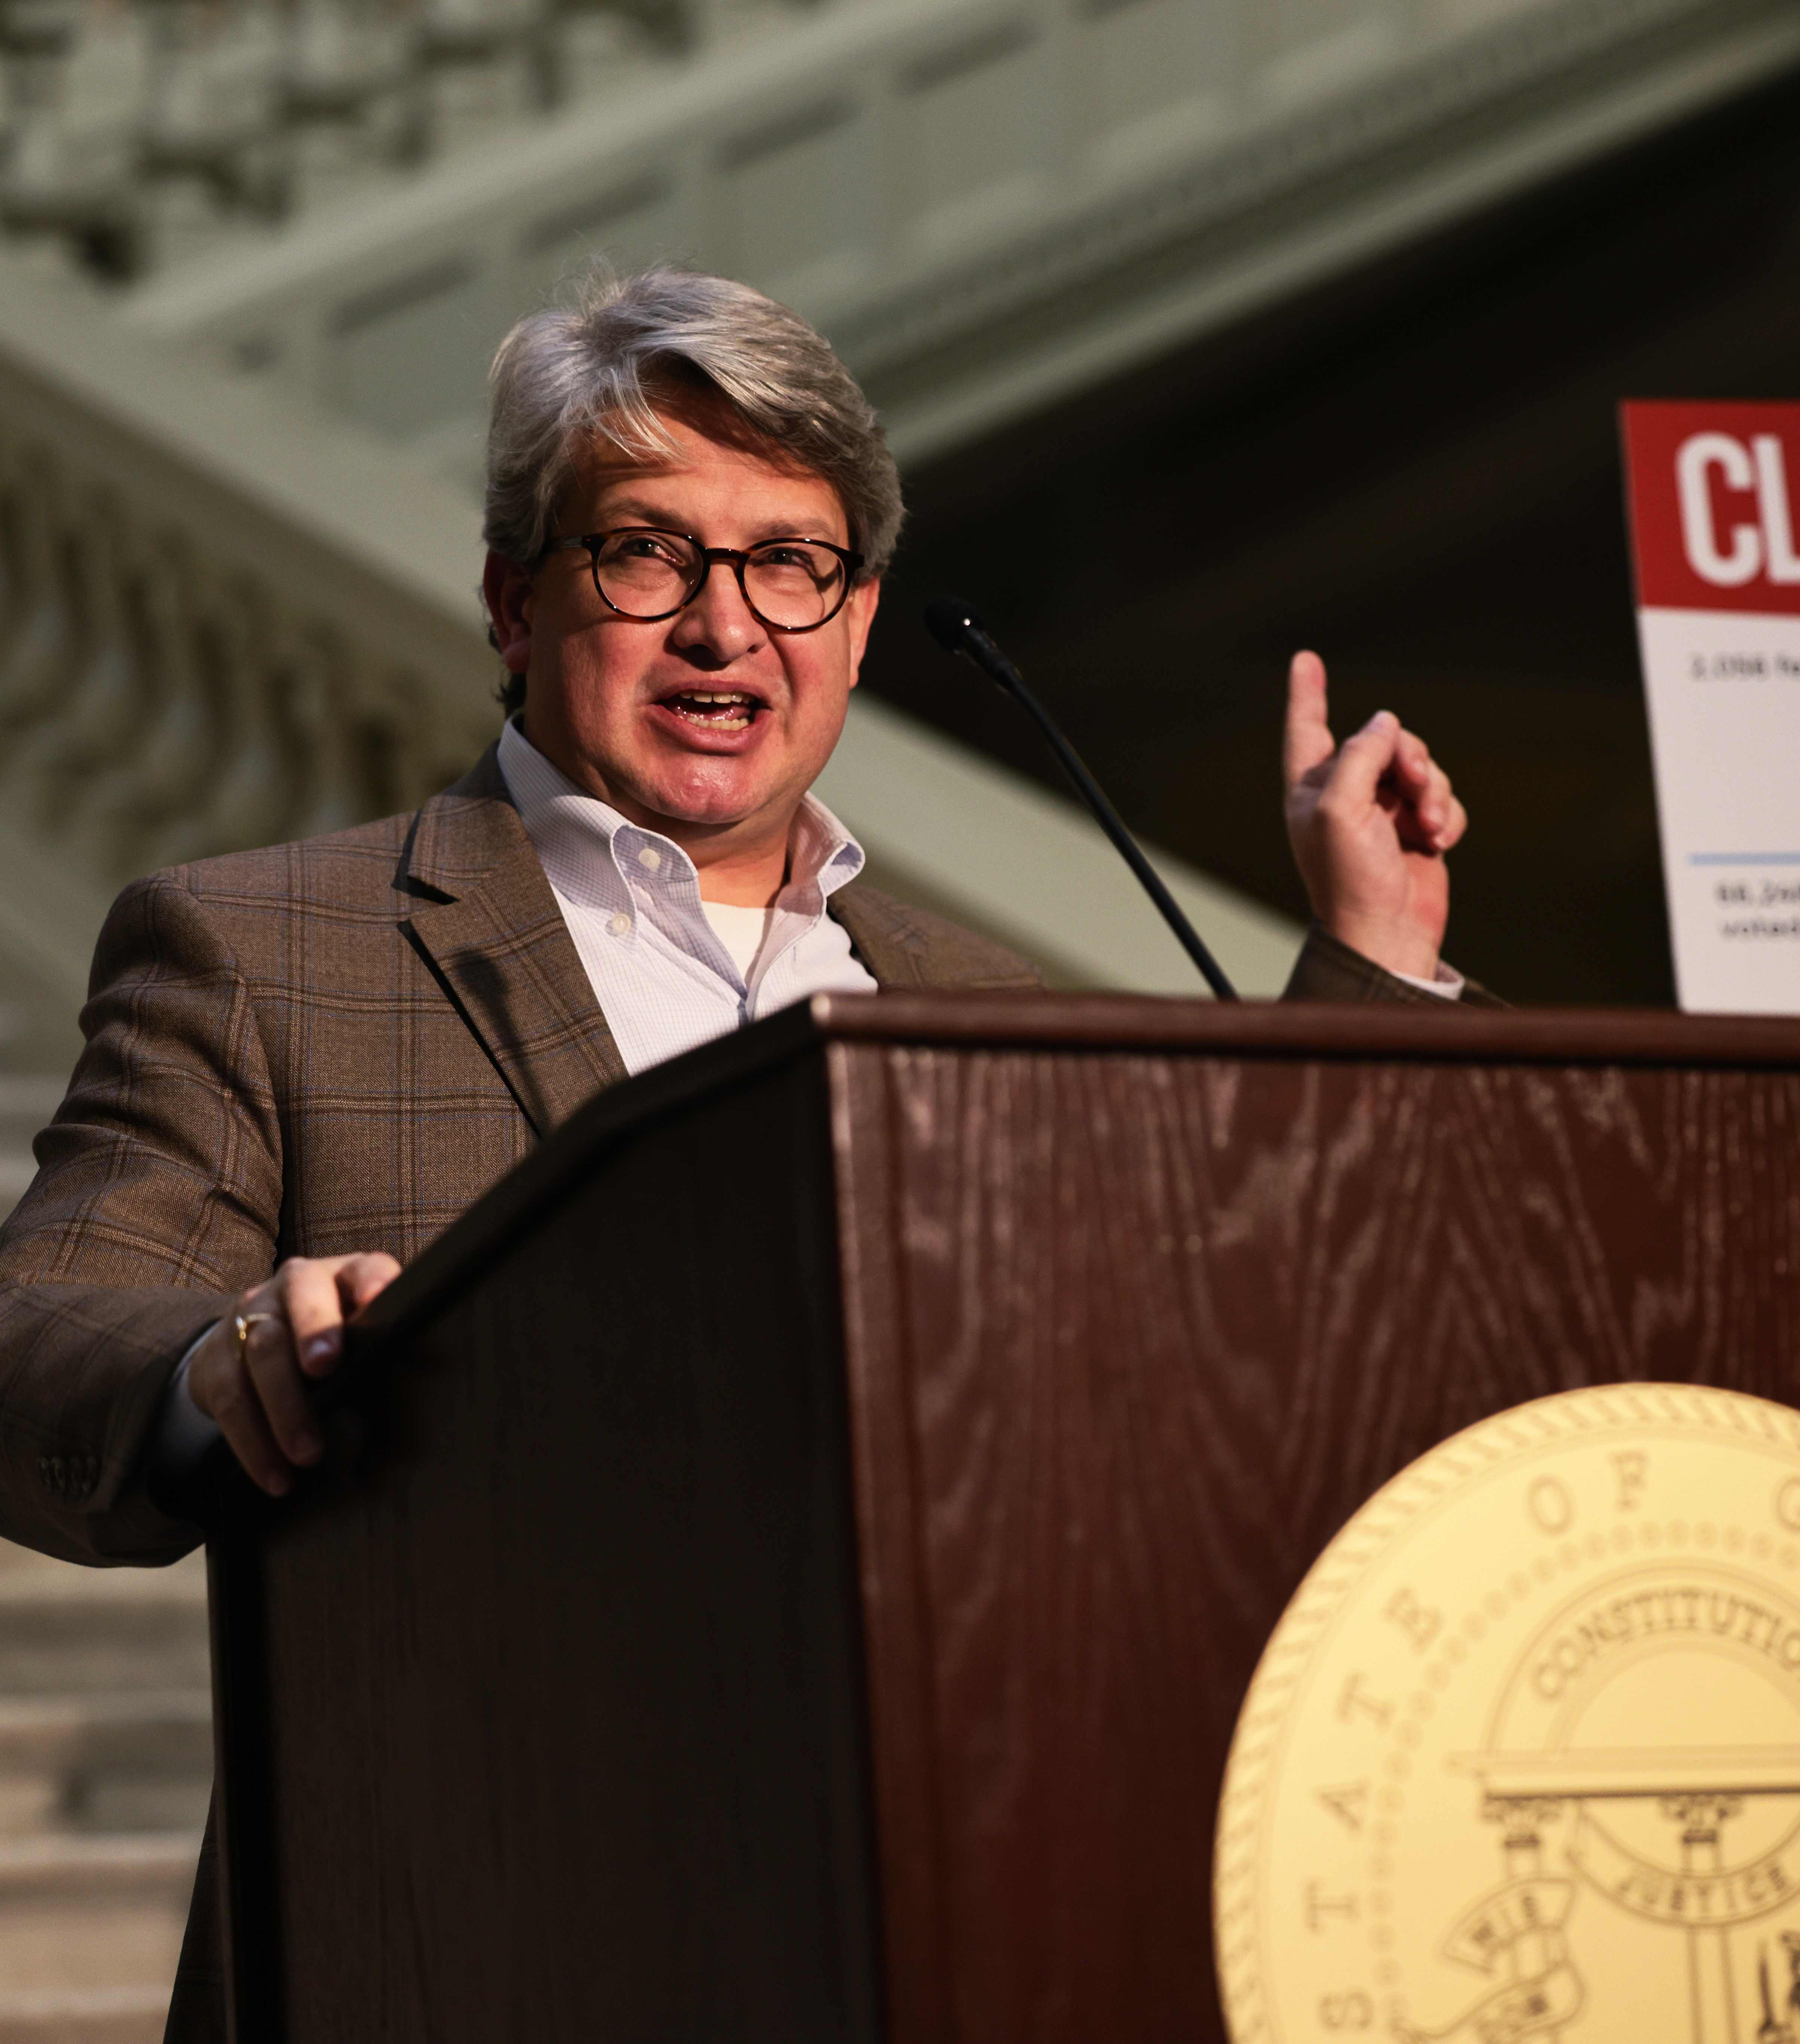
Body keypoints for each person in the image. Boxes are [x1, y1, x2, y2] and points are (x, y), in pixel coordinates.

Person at [0, 265, 1481, 2035]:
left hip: (944, 1924)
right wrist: (222, 1359)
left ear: (859, 623)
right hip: (468, 1940)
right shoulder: (268, 949)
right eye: (648, 553)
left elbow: (1258, 1326)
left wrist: (1375, 961)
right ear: (511, 598)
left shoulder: (980, 1000)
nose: (728, 624)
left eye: (794, 563)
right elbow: (39, 1339)